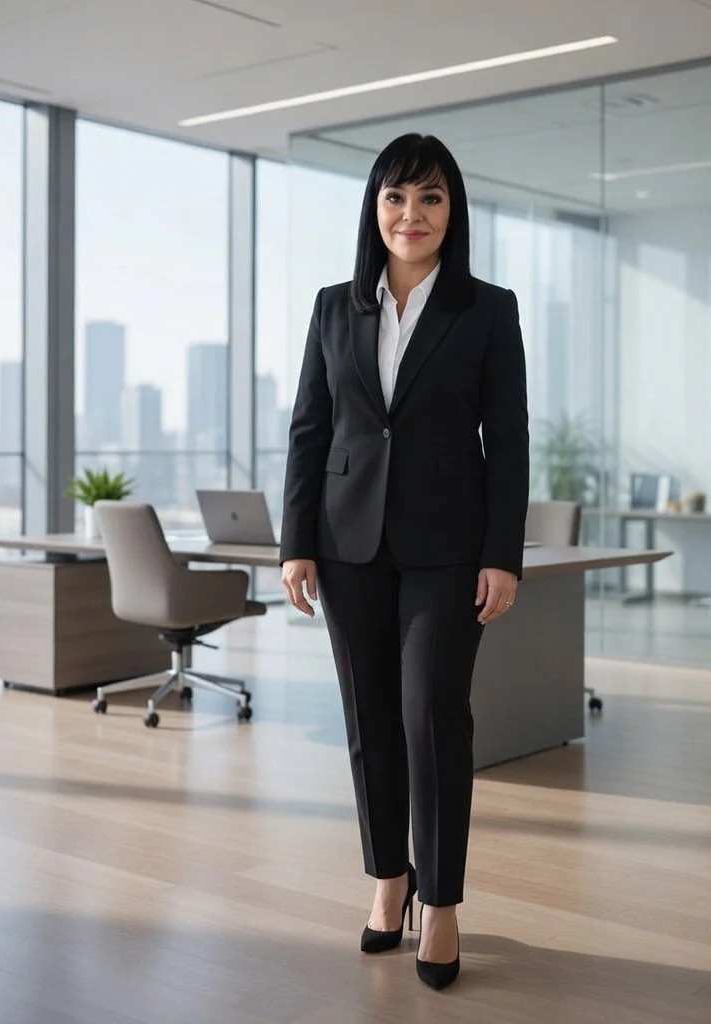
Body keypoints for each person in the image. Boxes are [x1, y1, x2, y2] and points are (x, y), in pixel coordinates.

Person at [279, 133, 529, 991]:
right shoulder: (331, 306)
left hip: (448, 550)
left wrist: (503, 554)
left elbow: (511, 440)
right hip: (347, 544)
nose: (410, 215)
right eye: (395, 197)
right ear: (374, 207)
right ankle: (390, 882)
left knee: (430, 717)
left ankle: (445, 902)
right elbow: (312, 431)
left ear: (452, 212)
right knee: (369, 722)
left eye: (429, 198)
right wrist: (296, 543)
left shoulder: (487, 309)